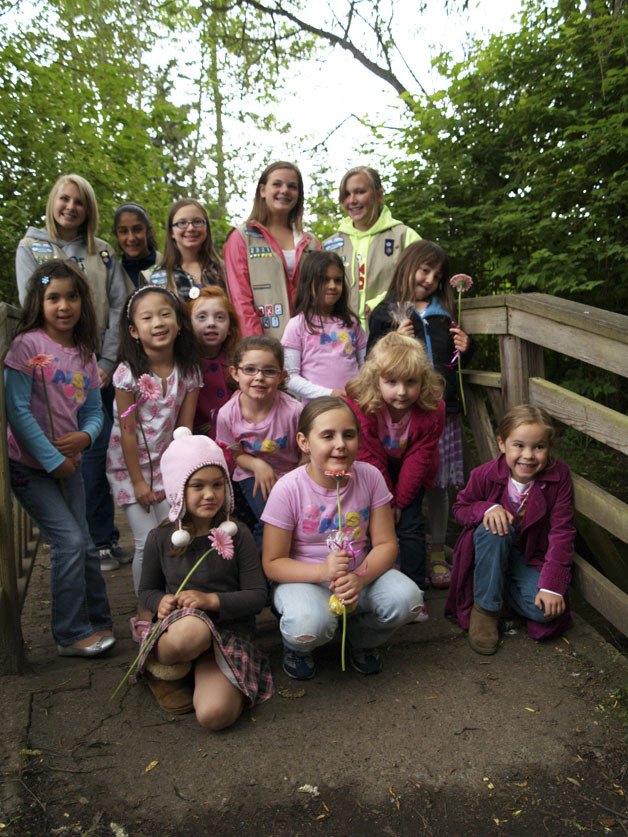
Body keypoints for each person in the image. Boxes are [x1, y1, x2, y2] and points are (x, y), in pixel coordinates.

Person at [15, 174, 132, 572]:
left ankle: (100, 539)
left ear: (88, 209)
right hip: (50, 370)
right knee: (58, 447)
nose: (70, 207)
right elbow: (29, 301)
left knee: (94, 452)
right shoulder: (31, 246)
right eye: (64, 199)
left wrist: (106, 362)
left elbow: (119, 307)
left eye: (79, 202)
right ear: (53, 202)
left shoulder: (101, 253)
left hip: (94, 363)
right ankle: (72, 541)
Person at [262, 396, 423, 680]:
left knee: (408, 600)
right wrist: (322, 571)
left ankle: (361, 640)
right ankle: (298, 647)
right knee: (308, 626)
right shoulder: (288, 489)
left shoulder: (370, 476)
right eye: (327, 435)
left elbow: (386, 543)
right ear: (304, 442)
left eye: (348, 435)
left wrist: (360, 577)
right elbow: (273, 563)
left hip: (360, 574)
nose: (340, 444)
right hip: (304, 579)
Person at [4, 259, 114, 657]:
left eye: (71, 297)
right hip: (31, 469)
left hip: (71, 467)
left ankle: (99, 621)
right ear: (40, 300)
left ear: (83, 302)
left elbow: (94, 411)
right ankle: (69, 633)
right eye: (53, 297)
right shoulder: (27, 345)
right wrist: (53, 460)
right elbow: (16, 410)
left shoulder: (84, 353)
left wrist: (86, 437)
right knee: (68, 542)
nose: (63, 306)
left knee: (85, 545)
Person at [137, 431, 273, 724]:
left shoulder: (238, 534)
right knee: (193, 632)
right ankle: (163, 670)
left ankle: (198, 675)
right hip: (184, 630)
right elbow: (146, 591)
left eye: (217, 484)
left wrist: (211, 600)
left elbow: (257, 595)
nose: (210, 494)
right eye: (197, 486)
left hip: (228, 634)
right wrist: (161, 601)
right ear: (177, 490)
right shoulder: (160, 538)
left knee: (216, 716)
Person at [368, 240, 473, 588]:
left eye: (436, 275)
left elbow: (455, 366)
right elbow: (372, 359)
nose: (429, 279)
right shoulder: (386, 312)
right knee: (403, 485)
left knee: (439, 486)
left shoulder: (444, 312)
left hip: (442, 411)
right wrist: (393, 338)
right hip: (401, 416)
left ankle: (438, 552)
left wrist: (465, 351)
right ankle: (394, 550)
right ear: (408, 266)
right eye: (424, 270)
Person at [106, 286, 202, 638]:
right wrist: (139, 482)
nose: (157, 322)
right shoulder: (127, 374)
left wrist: (179, 475)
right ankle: (144, 609)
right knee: (147, 542)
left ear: (178, 323)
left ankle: (174, 605)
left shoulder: (188, 371)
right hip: (130, 469)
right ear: (134, 330)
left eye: (165, 314)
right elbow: (127, 431)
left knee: (176, 537)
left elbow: (185, 429)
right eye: (146, 318)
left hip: (169, 466)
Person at [445, 405, 575, 654]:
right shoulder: (484, 474)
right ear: (502, 444)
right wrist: (486, 508)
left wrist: (552, 586)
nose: (528, 455)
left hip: (529, 556)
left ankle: (497, 587)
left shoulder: (558, 477)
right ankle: (485, 609)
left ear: (549, 448)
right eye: (519, 445)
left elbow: (562, 531)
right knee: (495, 527)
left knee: (544, 611)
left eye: (539, 447)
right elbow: (460, 508)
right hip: (488, 550)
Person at [345, 333, 445, 613]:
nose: (401, 392)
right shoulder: (361, 405)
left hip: (412, 469)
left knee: (410, 525)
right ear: (376, 380)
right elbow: (367, 452)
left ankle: (415, 592)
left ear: (422, 382)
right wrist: (386, 501)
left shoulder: (432, 408)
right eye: (392, 382)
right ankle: (368, 584)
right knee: (372, 523)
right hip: (373, 466)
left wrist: (400, 501)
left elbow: (421, 455)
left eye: (410, 382)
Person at [216, 336, 303, 551]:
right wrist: (257, 465)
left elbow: (307, 450)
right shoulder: (228, 414)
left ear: (281, 376)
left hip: (291, 473)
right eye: (250, 370)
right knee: (270, 520)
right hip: (252, 474)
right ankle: (260, 575)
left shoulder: (293, 411)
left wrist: (299, 478)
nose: (259, 378)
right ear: (235, 373)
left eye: (269, 371)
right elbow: (235, 453)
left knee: (294, 521)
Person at [223, 161, 320, 339]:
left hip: (310, 346)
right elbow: (240, 300)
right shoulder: (242, 238)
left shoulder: (312, 243)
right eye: (277, 184)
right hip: (264, 347)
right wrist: (256, 344)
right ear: (262, 190)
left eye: (292, 186)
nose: (284, 190)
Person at [323, 166, 420, 329]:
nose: (352, 200)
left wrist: (383, 303)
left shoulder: (404, 236)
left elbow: (424, 281)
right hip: (341, 339)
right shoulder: (329, 246)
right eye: (346, 194)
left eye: (360, 192)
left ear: (379, 195)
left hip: (392, 334)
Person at [281, 250, 367, 402]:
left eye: (338, 280)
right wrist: (329, 394)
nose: (332, 286)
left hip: (353, 408)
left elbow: (366, 367)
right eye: (324, 280)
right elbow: (290, 379)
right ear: (308, 282)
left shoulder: (352, 323)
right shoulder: (297, 325)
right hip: (317, 412)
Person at [144, 199, 226, 302]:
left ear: (207, 229)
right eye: (182, 223)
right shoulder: (156, 276)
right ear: (171, 232)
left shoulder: (223, 271)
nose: (191, 228)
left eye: (197, 222)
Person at [188, 286, 241, 439]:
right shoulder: (186, 367)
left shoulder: (239, 363)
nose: (211, 323)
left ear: (230, 327)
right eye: (202, 317)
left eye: (219, 317)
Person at [112, 202, 161, 289]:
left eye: (137, 230)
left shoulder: (167, 264)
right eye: (123, 231)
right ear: (116, 236)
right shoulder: (114, 274)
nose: (131, 238)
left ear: (148, 231)